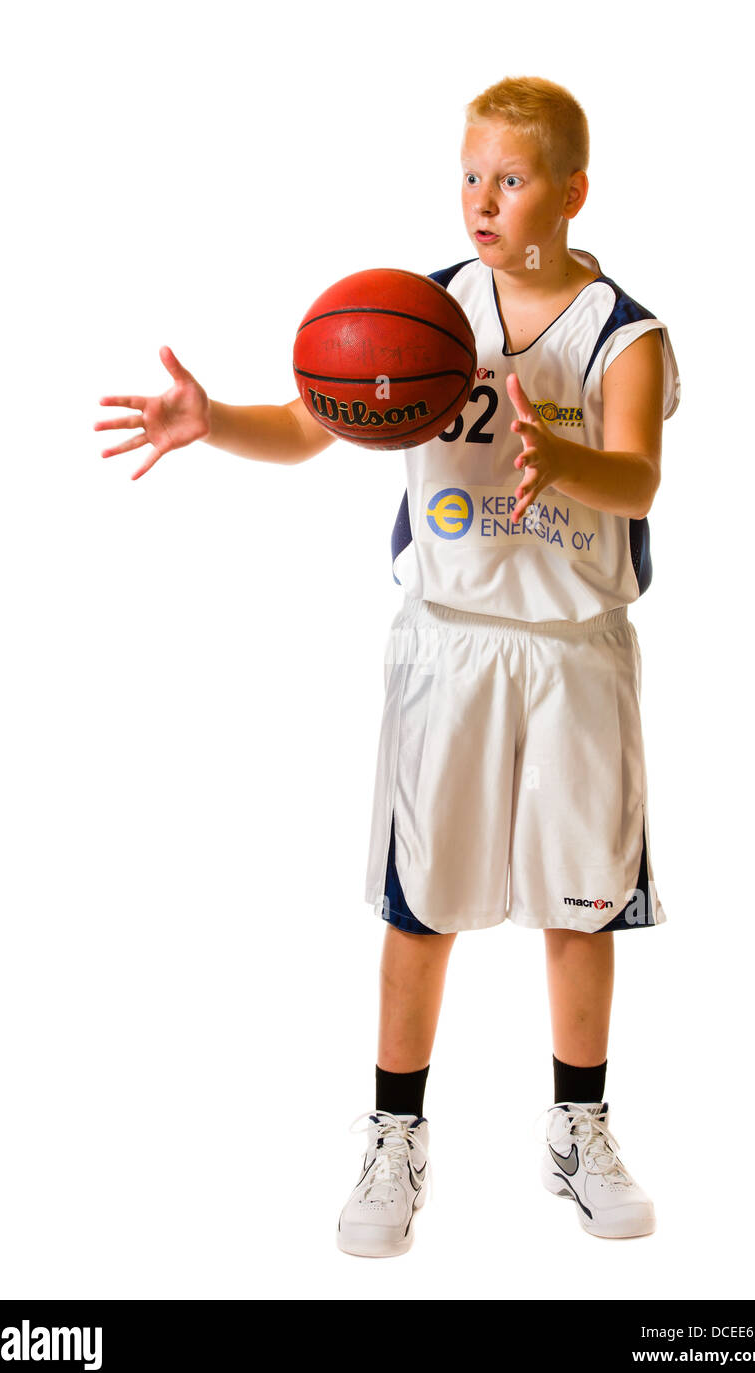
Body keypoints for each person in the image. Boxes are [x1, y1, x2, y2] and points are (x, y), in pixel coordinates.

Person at [94, 75, 680, 1258]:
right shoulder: (423, 312)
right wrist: (215, 423)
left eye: (507, 179)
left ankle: (579, 1125)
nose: (480, 199)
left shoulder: (623, 332)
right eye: (467, 175)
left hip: (573, 651)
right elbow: (315, 426)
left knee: (580, 910)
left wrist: (557, 460)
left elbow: (638, 478)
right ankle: (394, 1136)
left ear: (569, 190)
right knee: (422, 912)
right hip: (449, 644)